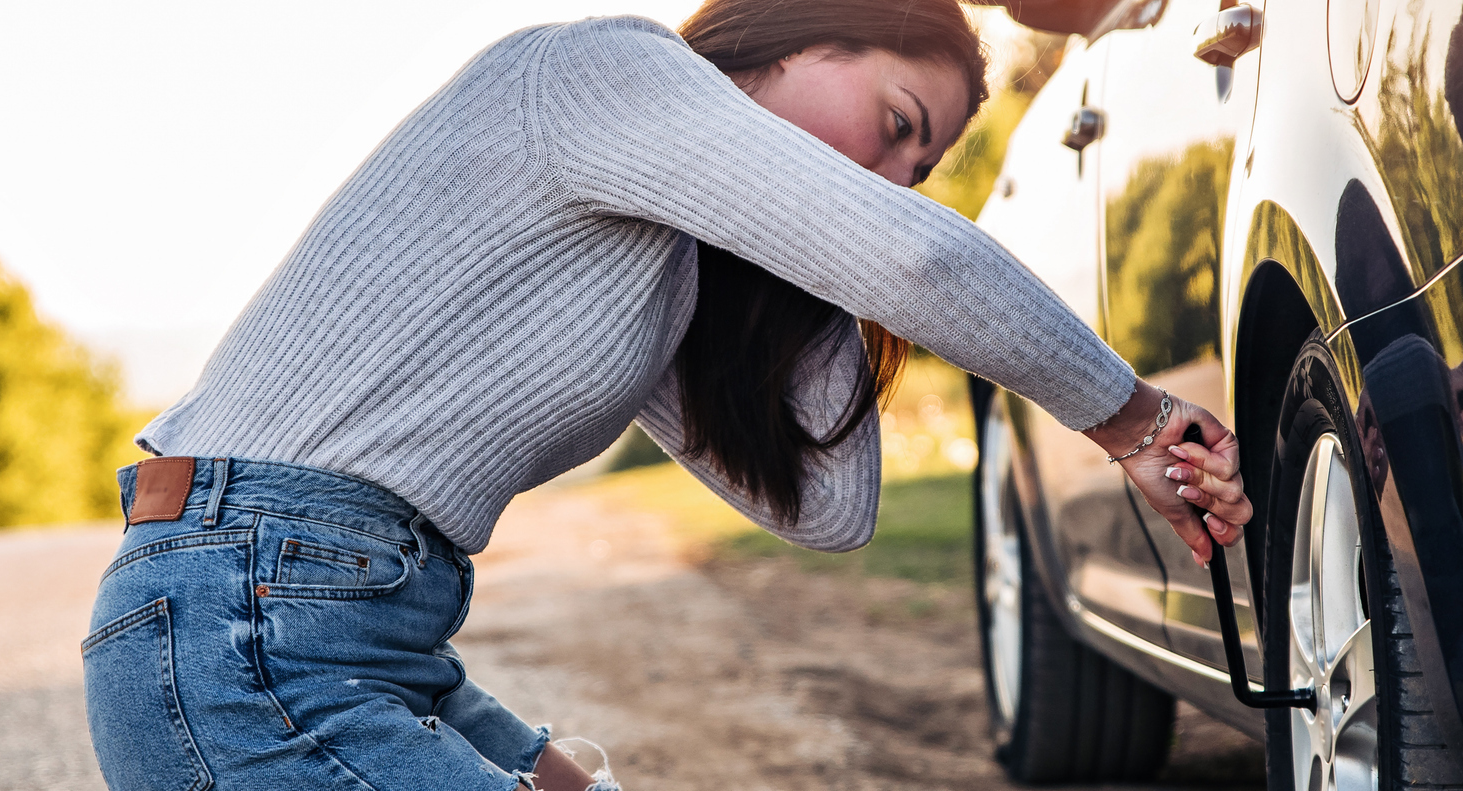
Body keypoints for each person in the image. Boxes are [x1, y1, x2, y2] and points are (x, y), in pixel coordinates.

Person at [81, 1, 1254, 789]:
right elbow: (919, 260)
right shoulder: (601, 69)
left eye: (915, 170)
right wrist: (1135, 420)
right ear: (794, 30)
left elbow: (828, 506)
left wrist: (816, 252)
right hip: (250, 617)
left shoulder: (656, 269)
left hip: (347, 625)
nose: (893, 179)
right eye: (896, 125)